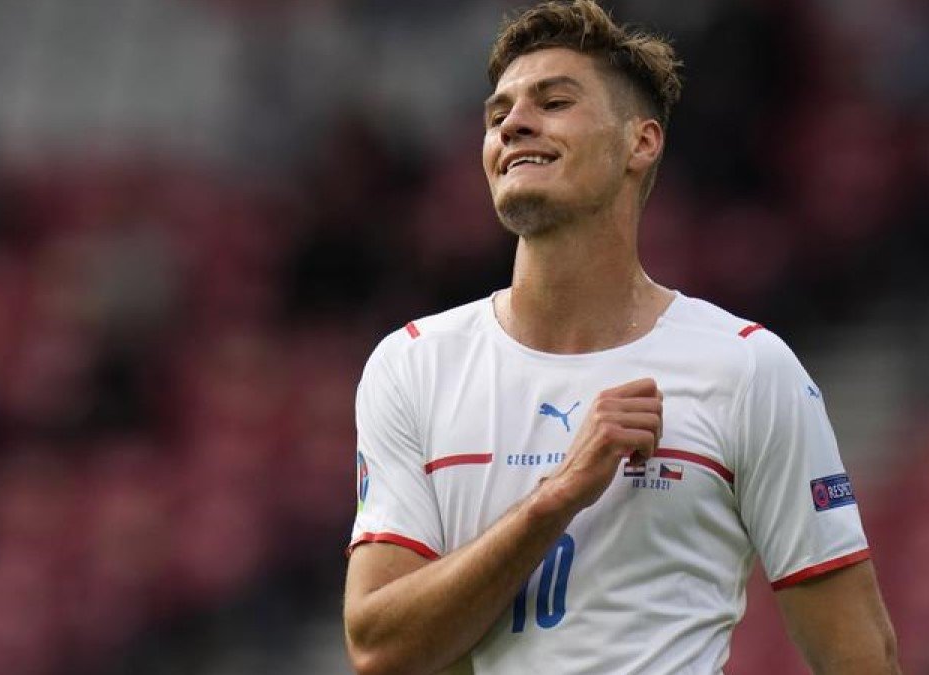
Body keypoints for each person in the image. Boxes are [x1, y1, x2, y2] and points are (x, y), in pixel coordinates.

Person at [343, 1, 899, 673]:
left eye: (555, 102)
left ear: (641, 142)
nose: (514, 123)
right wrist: (560, 495)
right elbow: (379, 649)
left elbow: (859, 656)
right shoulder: (412, 365)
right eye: (497, 115)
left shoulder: (747, 368)